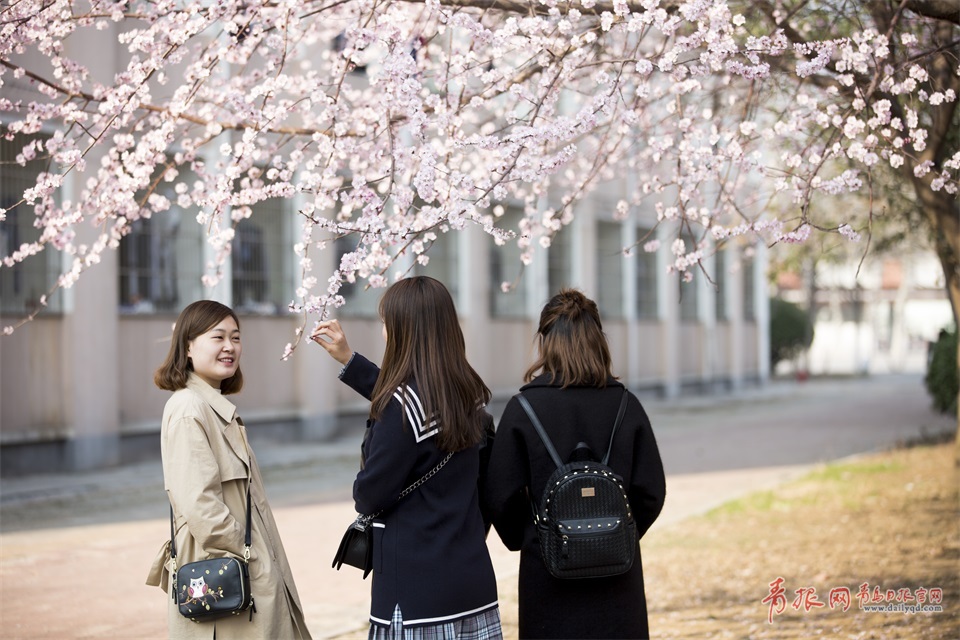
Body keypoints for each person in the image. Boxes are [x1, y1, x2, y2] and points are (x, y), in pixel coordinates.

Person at [311, 276, 502, 639]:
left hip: (416, 598)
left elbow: (368, 496)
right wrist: (351, 361)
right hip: (472, 584)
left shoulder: (400, 410)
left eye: (386, 323)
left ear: (403, 330)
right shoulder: (467, 397)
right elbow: (414, 402)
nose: (383, 332)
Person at [483, 289, 666, 640]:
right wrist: (613, 533)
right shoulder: (627, 405)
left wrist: (536, 536)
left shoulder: (524, 410)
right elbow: (651, 492)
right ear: (599, 340)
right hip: (618, 576)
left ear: (545, 341)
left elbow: (499, 496)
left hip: (548, 577)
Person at [146, 300, 311, 640]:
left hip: (245, 572)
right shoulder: (188, 409)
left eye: (236, 338)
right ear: (188, 346)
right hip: (229, 576)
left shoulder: (213, 406)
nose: (230, 347)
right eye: (217, 337)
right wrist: (255, 558)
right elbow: (200, 506)